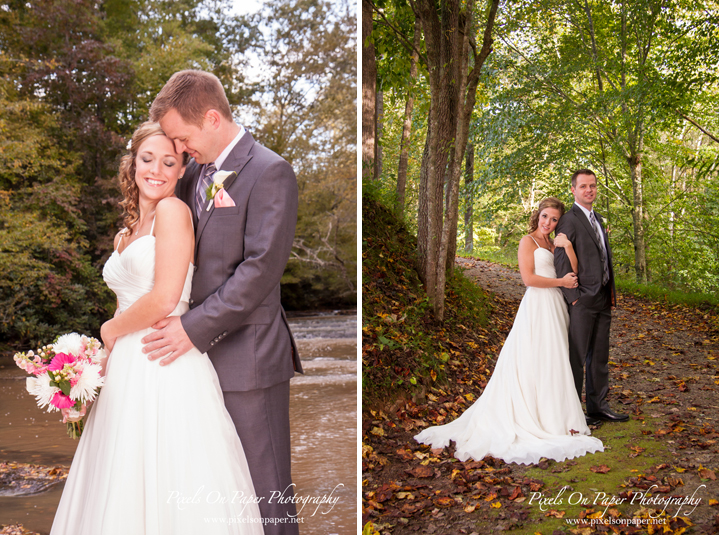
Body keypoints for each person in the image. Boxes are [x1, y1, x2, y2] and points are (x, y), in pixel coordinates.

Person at [50, 122, 263, 534]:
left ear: (182, 169)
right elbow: (124, 303)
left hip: (163, 359)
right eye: (147, 159)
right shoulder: (124, 234)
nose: (157, 170)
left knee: (171, 474)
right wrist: (87, 383)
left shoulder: (173, 211)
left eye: (170, 162)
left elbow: (165, 298)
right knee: (119, 477)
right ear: (132, 164)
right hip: (125, 371)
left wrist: (110, 329)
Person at [141, 70, 302, 533]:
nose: (178, 149)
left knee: (266, 493)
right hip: (191, 370)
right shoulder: (191, 174)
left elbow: (259, 271)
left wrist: (190, 329)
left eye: (182, 137)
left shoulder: (271, 171)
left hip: (248, 360)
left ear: (212, 118)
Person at [414, 197, 603, 465]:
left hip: (557, 307)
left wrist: (569, 247)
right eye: (545, 216)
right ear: (538, 215)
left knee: (554, 361)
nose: (548, 222)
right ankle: (529, 416)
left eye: (554, 219)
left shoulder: (554, 242)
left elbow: (574, 272)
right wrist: (560, 281)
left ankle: (553, 417)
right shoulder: (529, 242)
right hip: (538, 305)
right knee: (532, 359)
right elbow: (528, 279)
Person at [554, 170, 628, 424]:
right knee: (576, 357)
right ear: (573, 189)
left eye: (593, 186)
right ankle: (574, 413)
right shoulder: (569, 220)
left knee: (599, 356)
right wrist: (574, 297)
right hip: (583, 300)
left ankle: (598, 406)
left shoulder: (597, 218)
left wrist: (608, 293)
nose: (589, 190)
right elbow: (561, 259)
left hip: (604, 298)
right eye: (583, 186)